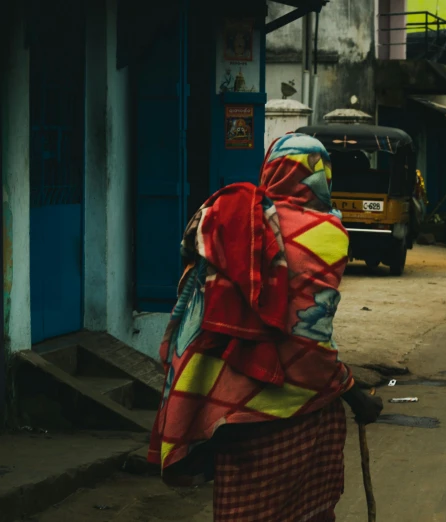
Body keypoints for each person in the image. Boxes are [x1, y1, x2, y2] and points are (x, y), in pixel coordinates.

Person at [148, 133, 383, 521]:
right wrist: (352, 391)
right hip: (294, 411)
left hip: (228, 408)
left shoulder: (227, 219)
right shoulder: (326, 233)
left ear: (271, 168)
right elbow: (309, 345)